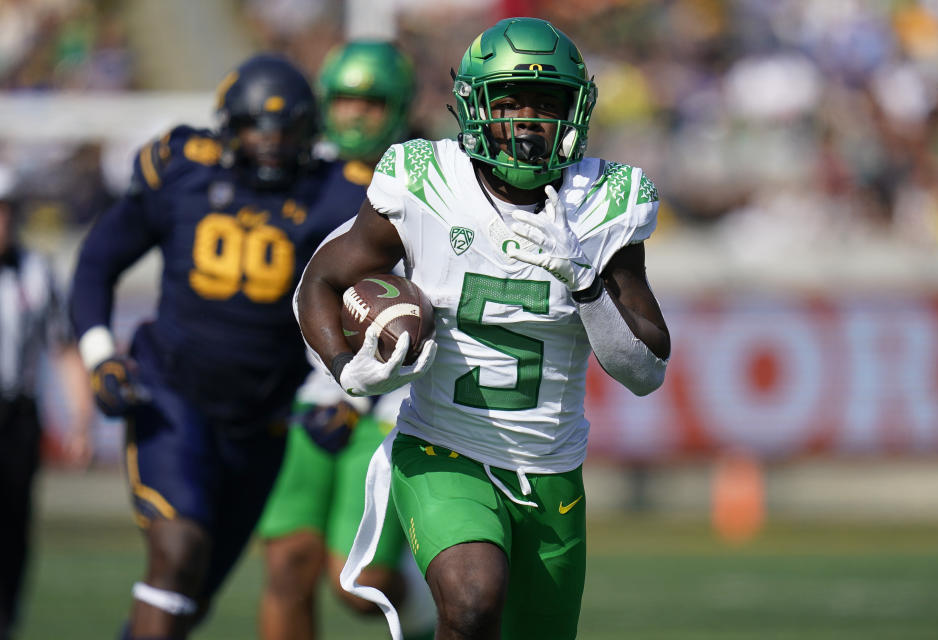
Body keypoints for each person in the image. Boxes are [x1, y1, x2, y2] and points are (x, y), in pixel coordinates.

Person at [295, 16, 672, 640]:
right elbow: (320, 282)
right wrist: (345, 368)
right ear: (475, 106)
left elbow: (645, 372)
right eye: (511, 100)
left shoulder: (605, 201)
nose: (528, 120)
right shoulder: (424, 182)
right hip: (443, 446)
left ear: (574, 111)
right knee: (471, 603)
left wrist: (587, 286)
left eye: (546, 102)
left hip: (551, 471)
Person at [69, 54, 367, 640]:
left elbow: (376, 303)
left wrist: (345, 394)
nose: (272, 142)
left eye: (287, 129)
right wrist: (100, 354)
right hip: (171, 398)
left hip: (262, 422)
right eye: (258, 125)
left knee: (190, 593)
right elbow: (97, 262)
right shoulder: (183, 171)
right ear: (228, 126)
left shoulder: (335, 193)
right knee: (177, 552)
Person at [257, 40, 434, 640]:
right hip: (306, 392)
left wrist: (356, 394)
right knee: (287, 564)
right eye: (346, 99)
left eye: (373, 100)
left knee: (357, 586)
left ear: (401, 105)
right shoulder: (300, 181)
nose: (357, 113)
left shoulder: (429, 184)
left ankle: (431, 607)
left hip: (387, 402)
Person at [0, 169, 93, 640]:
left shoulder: (34, 271)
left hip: (14, 417)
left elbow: (63, 349)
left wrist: (79, 421)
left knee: (13, 527)